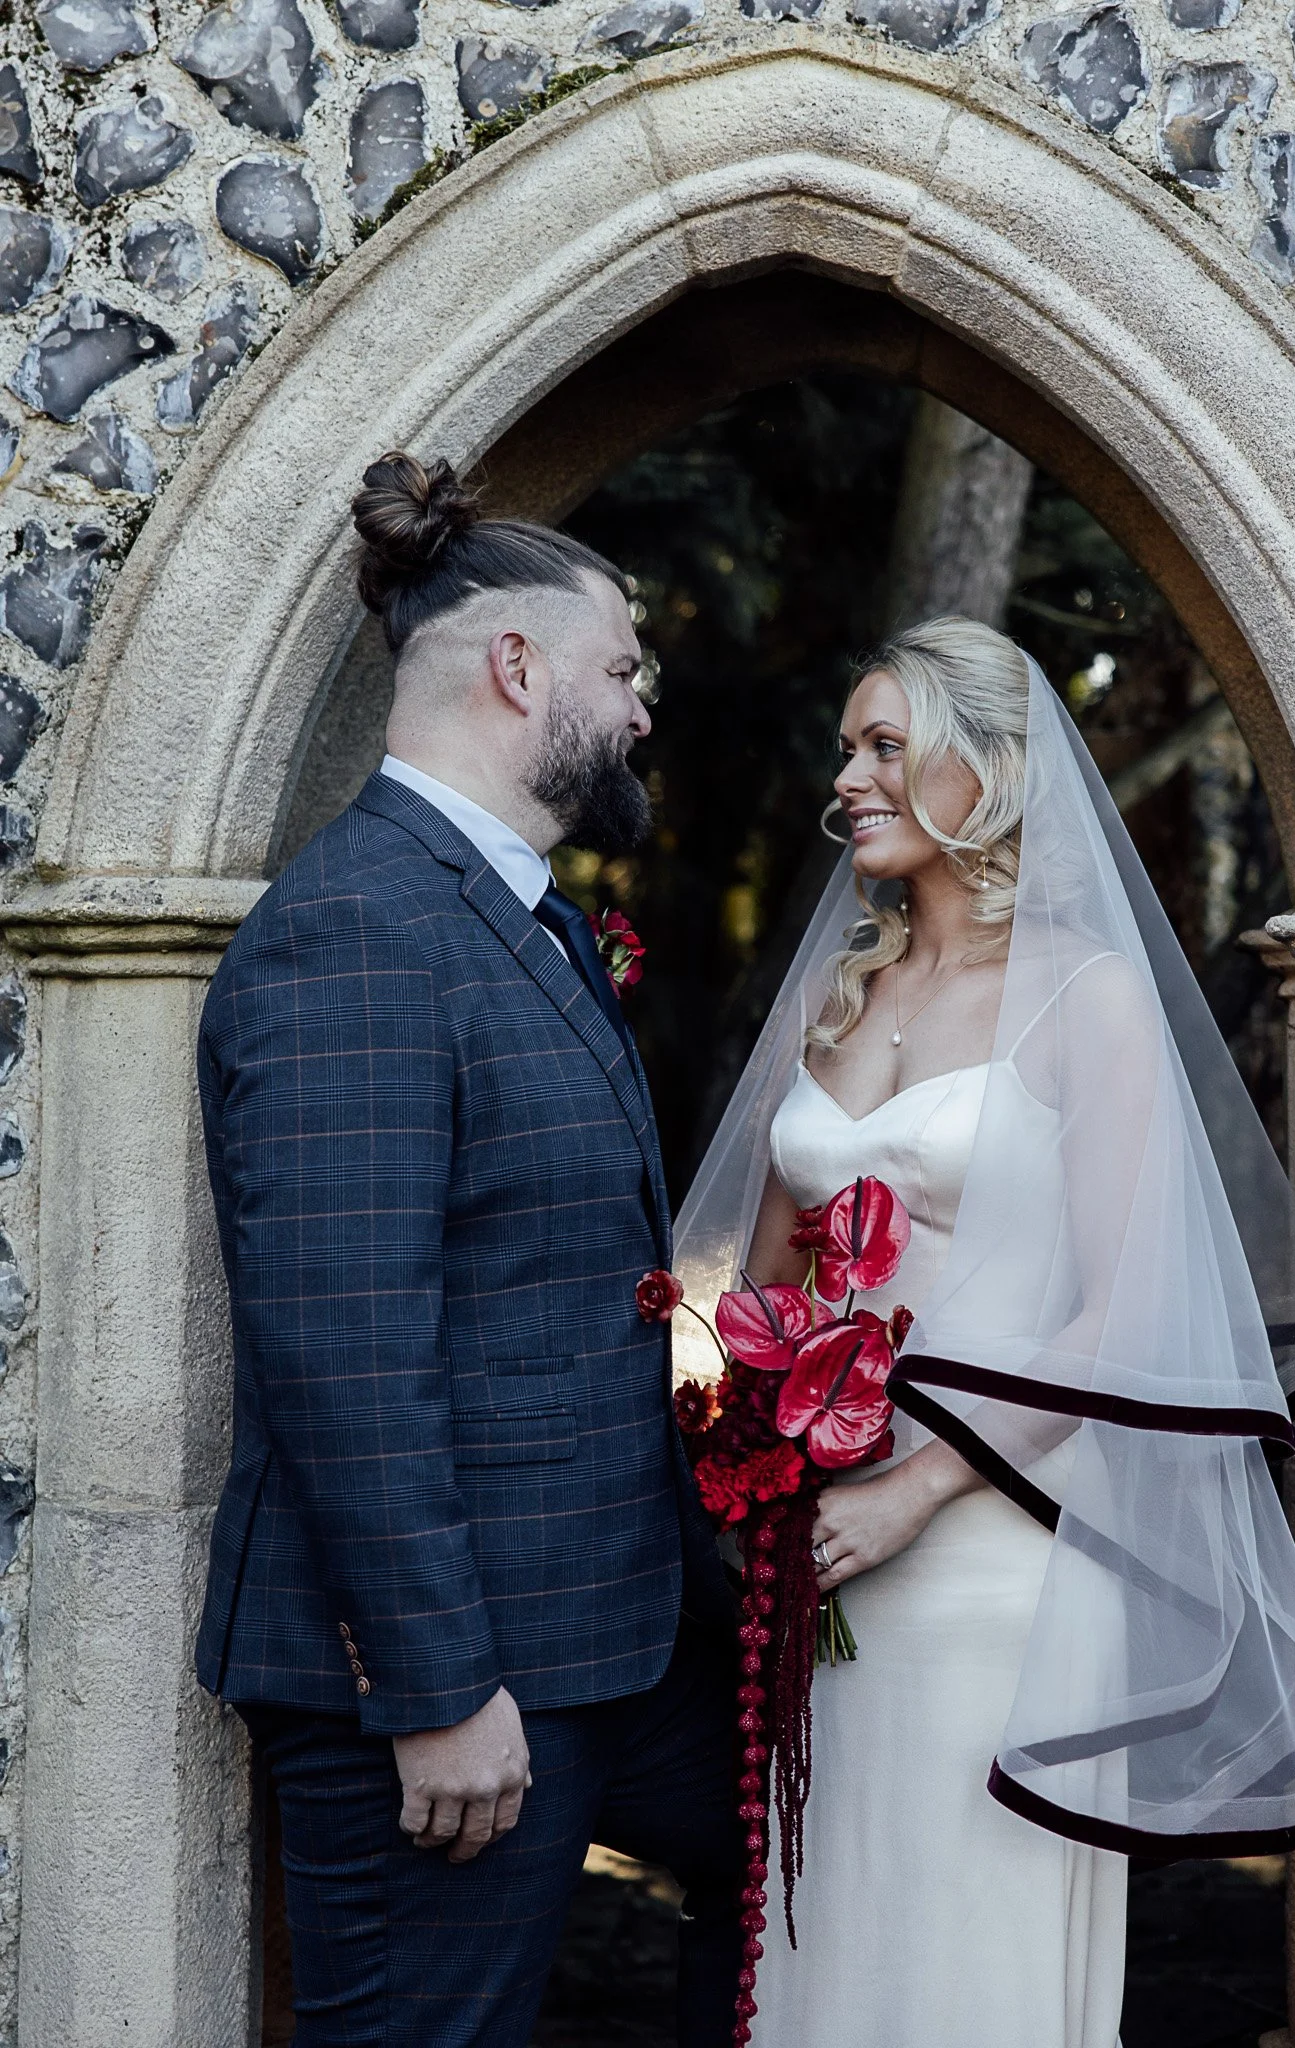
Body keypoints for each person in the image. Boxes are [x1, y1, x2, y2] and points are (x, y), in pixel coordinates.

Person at [673, 617, 1295, 2047]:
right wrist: (752, 1444)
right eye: (848, 749)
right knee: (828, 1944)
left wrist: (915, 1487)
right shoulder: (838, 997)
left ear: (995, 769)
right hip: (816, 1566)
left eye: (888, 745)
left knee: (964, 1965)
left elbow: (1127, 1308)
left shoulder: (1091, 997)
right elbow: (753, 1290)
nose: (853, 779)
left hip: (994, 1560)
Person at [193, 451, 740, 2047]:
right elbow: (345, 1352)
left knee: (812, 1858)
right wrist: (435, 1696)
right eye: (623, 667)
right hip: (447, 1675)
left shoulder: (509, 911)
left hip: (613, 1637)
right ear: (518, 667)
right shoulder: (360, 928)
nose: (643, 707)